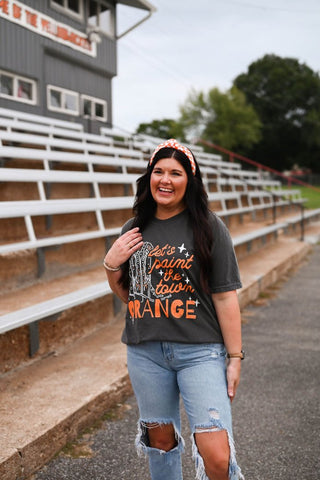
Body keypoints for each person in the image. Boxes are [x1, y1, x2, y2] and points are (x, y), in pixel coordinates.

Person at [103, 138, 245, 480]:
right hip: (146, 352)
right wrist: (111, 266)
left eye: (175, 173)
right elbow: (134, 295)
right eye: (158, 171)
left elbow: (226, 297)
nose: (165, 180)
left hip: (200, 352)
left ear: (189, 181)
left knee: (216, 455)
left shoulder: (209, 227)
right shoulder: (134, 228)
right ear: (149, 177)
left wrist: (235, 357)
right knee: (160, 442)